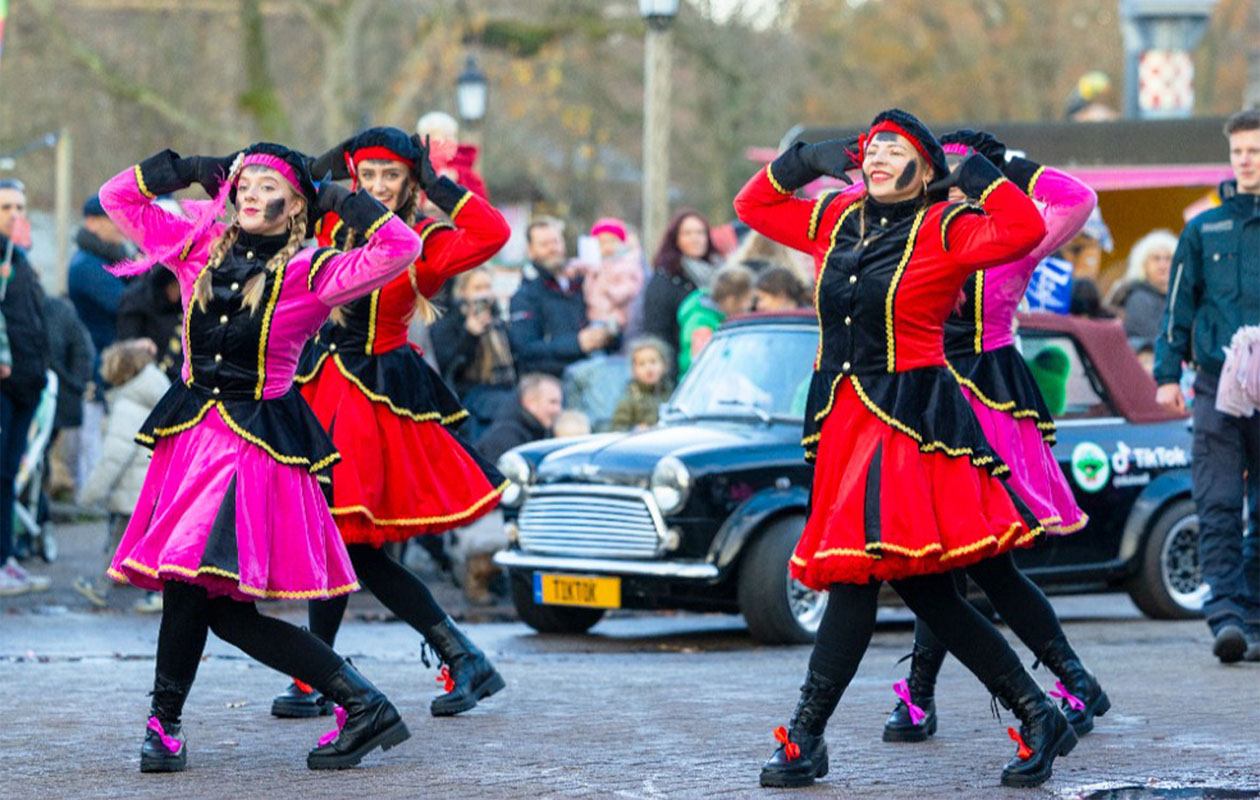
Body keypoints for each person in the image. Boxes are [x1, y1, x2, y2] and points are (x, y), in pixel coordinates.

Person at [736, 109, 1075, 789]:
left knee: (857, 580)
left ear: (925, 166)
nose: (879, 155)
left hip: (910, 426)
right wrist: (803, 160)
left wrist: (974, 174)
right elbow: (753, 204)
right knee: (927, 596)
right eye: (873, 147)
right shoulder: (835, 218)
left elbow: (1025, 227)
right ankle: (1038, 713)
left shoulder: (944, 226)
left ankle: (805, 737)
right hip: (843, 420)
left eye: (897, 146)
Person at [100, 142, 421, 771]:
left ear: (297, 202)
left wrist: (341, 200)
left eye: (267, 184)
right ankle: (361, 703)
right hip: (192, 440)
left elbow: (400, 249)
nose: (249, 192)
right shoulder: (197, 247)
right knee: (220, 612)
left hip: (248, 451)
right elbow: (119, 198)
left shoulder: (313, 272)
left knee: (193, 590)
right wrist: (190, 168)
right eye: (242, 182)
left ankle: (165, 727)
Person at [272, 126, 510, 720]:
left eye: (393, 176)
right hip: (317, 383)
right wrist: (333, 157)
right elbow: (286, 183)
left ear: (410, 183)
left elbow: (494, 232)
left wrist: (439, 183)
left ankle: (455, 656)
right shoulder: (331, 225)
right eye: (368, 174)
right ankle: (321, 673)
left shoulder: (427, 241)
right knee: (335, 538)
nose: (378, 186)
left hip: (372, 402)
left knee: (348, 542)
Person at [885, 131, 1107, 746]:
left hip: (989, 405)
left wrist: (1007, 165)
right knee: (943, 554)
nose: (951, 182)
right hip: (924, 401)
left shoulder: (1019, 234)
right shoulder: (919, 230)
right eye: (943, 171)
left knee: (974, 557)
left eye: (961, 172)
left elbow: (1078, 198)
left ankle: (928, 697)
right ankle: (1064, 681)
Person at [1155, 109, 1260, 664]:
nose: (1245, 161)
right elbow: (1179, 305)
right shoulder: (1203, 229)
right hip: (1217, 384)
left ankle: (1257, 617)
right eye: (1239, 151)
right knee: (1218, 499)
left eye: (1255, 150)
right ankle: (1225, 615)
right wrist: (1166, 376)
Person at [74, 339, 170, 611]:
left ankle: (109, 589)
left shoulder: (128, 406)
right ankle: (105, 587)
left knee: (121, 544)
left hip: (133, 492)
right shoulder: (152, 396)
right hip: (148, 489)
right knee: (139, 545)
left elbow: (114, 457)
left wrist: (89, 494)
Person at [0, 177, 52, 596]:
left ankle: (8, 556)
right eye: (6, 208)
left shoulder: (19, 258)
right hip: (5, 385)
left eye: (19, 206)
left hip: (25, 386)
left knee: (7, 478)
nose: (15, 215)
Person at [508, 217, 615, 376]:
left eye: (556, 241)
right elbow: (525, 349)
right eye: (544, 244)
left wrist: (608, 334)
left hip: (593, 374)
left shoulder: (583, 282)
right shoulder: (525, 295)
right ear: (530, 250)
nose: (553, 249)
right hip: (552, 383)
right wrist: (577, 343)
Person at [430, 265, 516, 440]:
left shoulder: (498, 322)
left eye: (487, 287)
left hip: (506, 389)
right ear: (462, 292)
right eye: (477, 288)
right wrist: (470, 336)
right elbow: (448, 366)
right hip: (472, 395)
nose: (484, 294)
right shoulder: (449, 323)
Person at [642, 209, 721, 376]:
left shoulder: (719, 274)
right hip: (680, 372)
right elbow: (657, 335)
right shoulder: (664, 281)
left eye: (700, 233)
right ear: (675, 239)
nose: (695, 238)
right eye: (687, 233)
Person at [676, 264, 754, 376]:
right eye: (747, 300)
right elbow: (702, 365)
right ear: (731, 300)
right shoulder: (701, 323)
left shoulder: (721, 318)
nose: (749, 305)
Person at [476, 373, 563, 464]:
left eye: (560, 403)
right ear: (530, 403)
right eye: (553, 402)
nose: (558, 410)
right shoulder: (505, 438)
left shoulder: (541, 432)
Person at [583, 217, 646, 343]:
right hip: (594, 315)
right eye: (602, 242)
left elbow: (628, 290)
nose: (607, 247)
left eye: (611, 241)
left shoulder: (627, 264)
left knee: (596, 339)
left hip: (615, 318)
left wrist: (608, 286)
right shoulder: (594, 265)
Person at [117, 267, 185, 382]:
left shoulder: (181, 304)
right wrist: (138, 345)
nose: (178, 293)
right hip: (147, 373)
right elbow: (127, 339)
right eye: (174, 286)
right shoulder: (136, 301)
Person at [1110, 229, 1177, 343]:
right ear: (1143, 264)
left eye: (1168, 259)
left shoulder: (1180, 298)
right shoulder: (1138, 298)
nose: (1163, 265)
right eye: (1156, 258)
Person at [610, 337, 673, 431]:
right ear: (634, 370)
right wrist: (634, 429)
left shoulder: (671, 394)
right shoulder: (628, 399)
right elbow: (616, 428)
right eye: (641, 364)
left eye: (653, 362)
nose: (648, 368)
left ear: (664, 365)